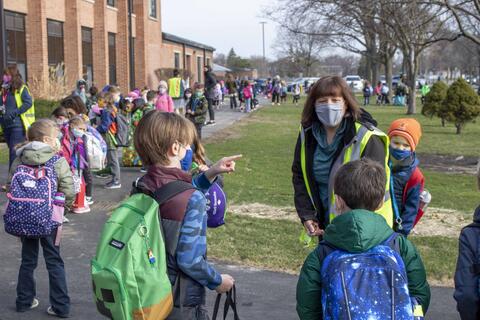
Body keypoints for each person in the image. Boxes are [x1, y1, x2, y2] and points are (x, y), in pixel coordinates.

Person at [133, 111, 239, 319]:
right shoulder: (193, 199)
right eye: (187, 145)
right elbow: (189, 260)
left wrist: (210, 173)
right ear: (175, 148)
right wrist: (218, 281)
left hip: (147, 291)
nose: (189, 149)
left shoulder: (142, 186)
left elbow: (172, 192)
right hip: (179, 300)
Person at [296, 158, 430, 319]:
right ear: (381, 202)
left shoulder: (320, 255)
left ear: (338, 201)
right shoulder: (401, 247)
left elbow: (308, 308)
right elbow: (420, 295)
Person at [292, 76, 393, 238]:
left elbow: (372, 192)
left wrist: (349, 233)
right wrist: (307, 215)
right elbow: (299, 175)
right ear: (313, 105)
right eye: (323, 101)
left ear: (346, 103)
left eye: (335, 100)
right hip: (327, 229)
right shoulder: (307, 133)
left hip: (364, 232)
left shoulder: (368, 137)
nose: (329, 105)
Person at [7, 119, 74, 318]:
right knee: (54, 261)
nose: (59, 141)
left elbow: (11, 186)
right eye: (57, 138)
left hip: (25, 218)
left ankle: (24, 301)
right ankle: (60, 307)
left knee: (28, 261)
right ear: (46, 139)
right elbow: (68, 189)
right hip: (50, 219)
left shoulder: (19, 159)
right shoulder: (57, 160)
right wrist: (62, 210)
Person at [388, 118, 427, 236]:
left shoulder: (415, 176)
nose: (400, 148)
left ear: (413, 147)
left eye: (406, 145)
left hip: (396, 227)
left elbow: (411, 210)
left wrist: (401, 235)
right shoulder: (380, 162)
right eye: (396, 143)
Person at [0, 65, 34, 170]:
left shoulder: (21, 88)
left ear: (13, 76)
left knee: (14, 153)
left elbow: (28, 102)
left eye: (6, 75)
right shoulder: (4, 90)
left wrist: (15, 112)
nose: (4, 77)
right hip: (6, 126)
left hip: (17, 125)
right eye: (4, 75)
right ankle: (19, 176)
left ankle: (12, 181)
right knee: (13, 152)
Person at [96, 93, 121, 189]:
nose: (98, 102)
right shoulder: (111, 109)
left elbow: (105, 126)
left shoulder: (107, 111)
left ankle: (116, 181)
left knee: (113, 160)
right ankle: (114, 179)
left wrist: (95, 129)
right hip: (112, 137)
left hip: (110, 138)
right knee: (112, 159)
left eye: (100, 100)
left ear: (105, 101)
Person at [68, 117, 91, 213]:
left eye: (84, 130)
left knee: (77, 184)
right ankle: (78, 205)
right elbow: (83, 155)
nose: (82, 131)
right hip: (76, 166)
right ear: (72, 126)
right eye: (80, 129)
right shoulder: (77, 139)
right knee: (78, 184)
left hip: (76, 166)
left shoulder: (75, 137)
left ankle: (77, 203)